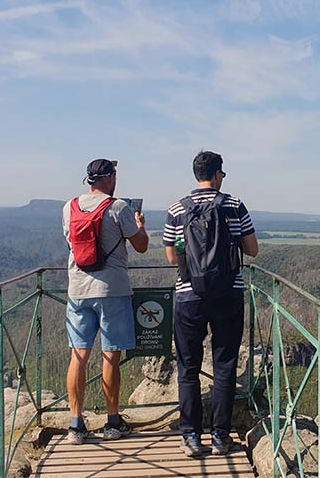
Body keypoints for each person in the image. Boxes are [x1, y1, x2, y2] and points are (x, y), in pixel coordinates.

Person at [163, 151, 258, 457]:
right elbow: (252, 249)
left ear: (196, 175)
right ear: (217, 175)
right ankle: (220, 435)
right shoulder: (233, 205)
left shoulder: (177, 209)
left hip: (189, 295)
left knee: (188, 367)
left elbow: (172, 255)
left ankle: (190, 436)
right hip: (228, 294)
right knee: (225, 365)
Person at [62, 159, 149, 444]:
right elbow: (141, 245)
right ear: (109, 178)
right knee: (110, 356)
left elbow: (71, 243)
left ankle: (76, 425)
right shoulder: (118, 207)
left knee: (79, 356)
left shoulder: (69, 207)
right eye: (115, 175)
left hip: (78, 289)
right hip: (111, 290)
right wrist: (139, 225)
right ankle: (112, 422)